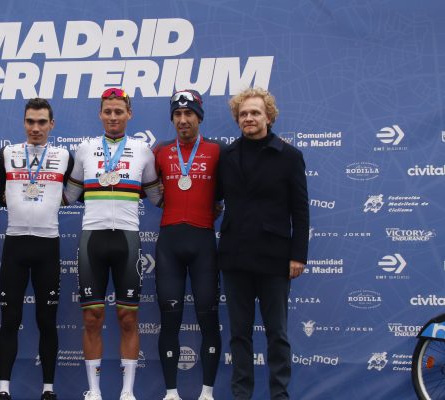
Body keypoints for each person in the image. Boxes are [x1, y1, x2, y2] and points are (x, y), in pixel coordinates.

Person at [64, 87, 162, 400]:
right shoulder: (85, 149)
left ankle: (127, 392)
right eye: (107, 111)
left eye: (119, 111)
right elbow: (68, 196)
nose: (113, 117)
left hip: (127, 240)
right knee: (92, 318)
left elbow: (158, 197)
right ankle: (93, 392)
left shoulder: (143, 151)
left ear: (129, 114)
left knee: (128, 318)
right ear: (100, 114)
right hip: (92, 239)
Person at [217, 87, 309, 400]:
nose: (249, 118)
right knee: (239, 335)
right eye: (243, 114)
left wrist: (298, 255)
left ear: (268, 116)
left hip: (274, 258)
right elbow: (214, 197)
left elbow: (301, 210)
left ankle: (279, 394)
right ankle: (241, 394)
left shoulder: (290, 156)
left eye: (255, 112)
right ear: (237, 119)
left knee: (277, 334)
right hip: (235, 257)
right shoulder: (227, 156)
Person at [0, 98, 73, 400]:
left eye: (41, 122)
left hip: (48, 245)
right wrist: (11, 201)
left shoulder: (64, 156)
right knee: (10, 319)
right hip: (15, 244)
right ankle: (3, 390)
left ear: (51, 124)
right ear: (24, 123)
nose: (35, 128)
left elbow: (77, 190)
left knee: (46, 320)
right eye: (30, 121)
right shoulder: (8, 153)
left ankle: (48, 389)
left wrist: (56, 202)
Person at [153, 90, 222, 400]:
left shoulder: (218, 151)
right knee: (170, 319)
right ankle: (171, 393)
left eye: (189, 114)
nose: (183, 120)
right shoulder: (160, 151)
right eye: (177, 115)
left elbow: (230, 189)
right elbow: (145, 188)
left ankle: (207, 393)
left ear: (199, 117)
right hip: (169, 244)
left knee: (209, 318)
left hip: (203, 243)